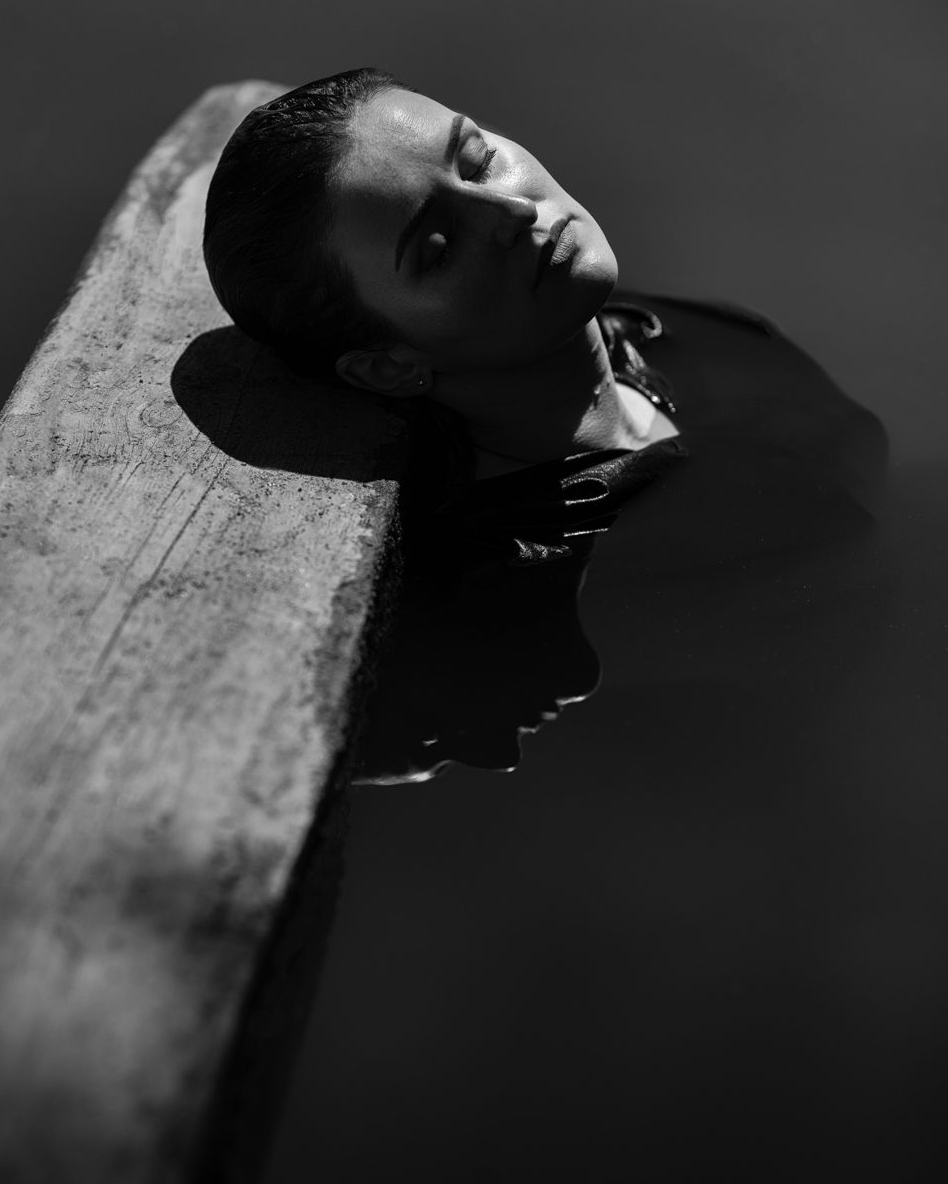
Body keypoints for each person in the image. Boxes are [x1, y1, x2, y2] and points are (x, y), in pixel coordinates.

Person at [203, 69, 887, 779]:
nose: (511, 211)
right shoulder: (515, 588)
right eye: (438, 248)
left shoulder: (690, 334)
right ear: (387, 366)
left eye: (478, 160)